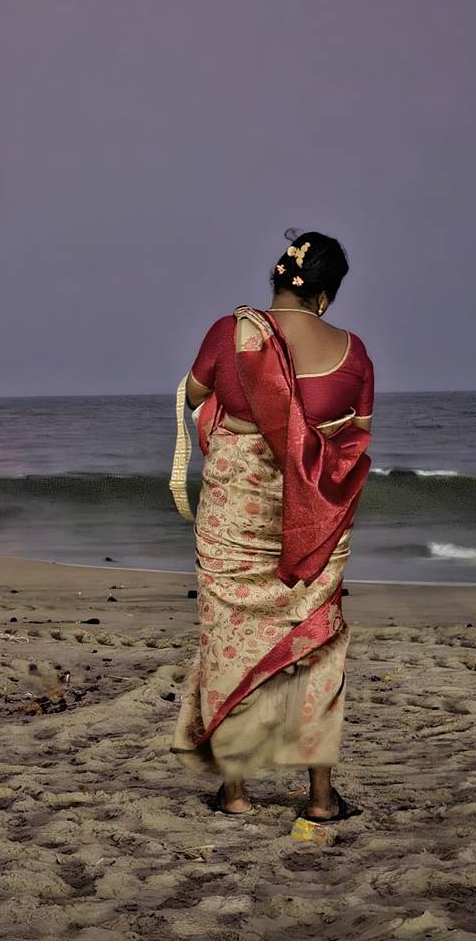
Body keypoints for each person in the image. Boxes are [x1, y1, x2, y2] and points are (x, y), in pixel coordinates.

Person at [169, 229, 374, 824]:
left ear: (277, 280)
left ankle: (234, 794)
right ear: (326, 297)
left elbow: (193, 395)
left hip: (234, 518)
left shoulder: (231, 334)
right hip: (313, 526)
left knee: (228, 642)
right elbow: (353, 438)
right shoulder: (353, 353)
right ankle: (318, 799)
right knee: (318, 643)